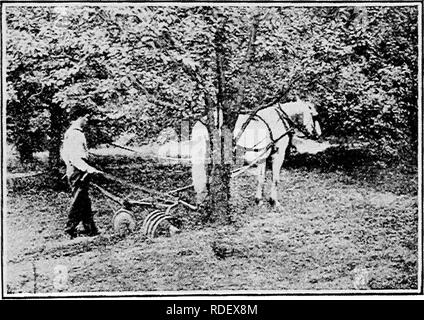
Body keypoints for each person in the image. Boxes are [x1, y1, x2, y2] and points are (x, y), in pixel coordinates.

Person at [61, 105, 103, 239]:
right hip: (78, 171)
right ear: (80, 117)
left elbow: (64, 152)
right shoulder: (74, 134)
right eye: (86, 117)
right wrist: (88, 168)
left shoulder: (72, 132)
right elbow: (74, 157)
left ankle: (91, 229)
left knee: (84, 200)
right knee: (79, 201)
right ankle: (69, 229)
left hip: (75, 169)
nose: (87, 120)